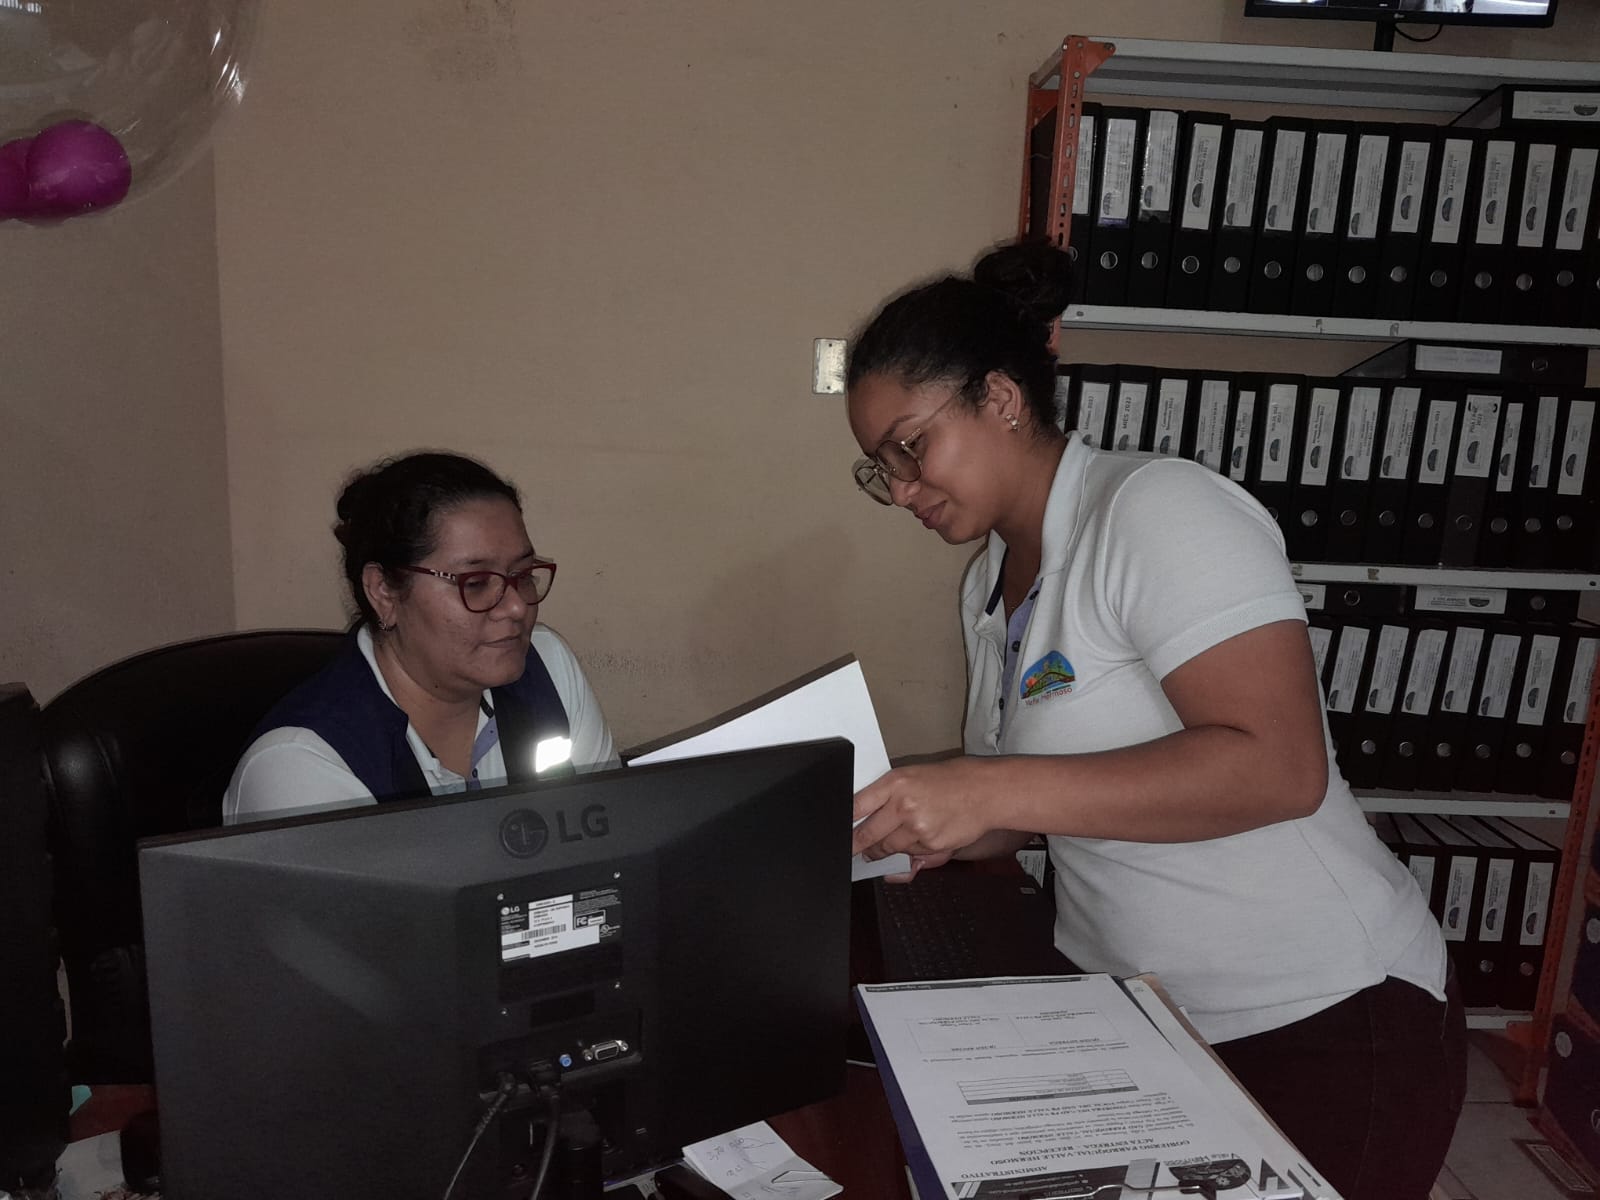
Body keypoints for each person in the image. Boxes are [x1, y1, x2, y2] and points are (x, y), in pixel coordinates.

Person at [844, 244, 1466, 1200]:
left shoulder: (1155, 510)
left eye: (911, 447)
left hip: (1324, 1016)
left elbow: (1278, 769)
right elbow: (1018, 812)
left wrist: (984, 787)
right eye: (879, 468)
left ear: (1001, 399)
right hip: (1145, 1013)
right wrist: (913, 821)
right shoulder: (990, 585)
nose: (899, 489)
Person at [224, 451, 616, 822]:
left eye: (523, 575)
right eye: (476, 582)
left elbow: (610, 835)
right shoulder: (301, 768)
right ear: (383, 592)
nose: (516, 607)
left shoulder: (547, 665)